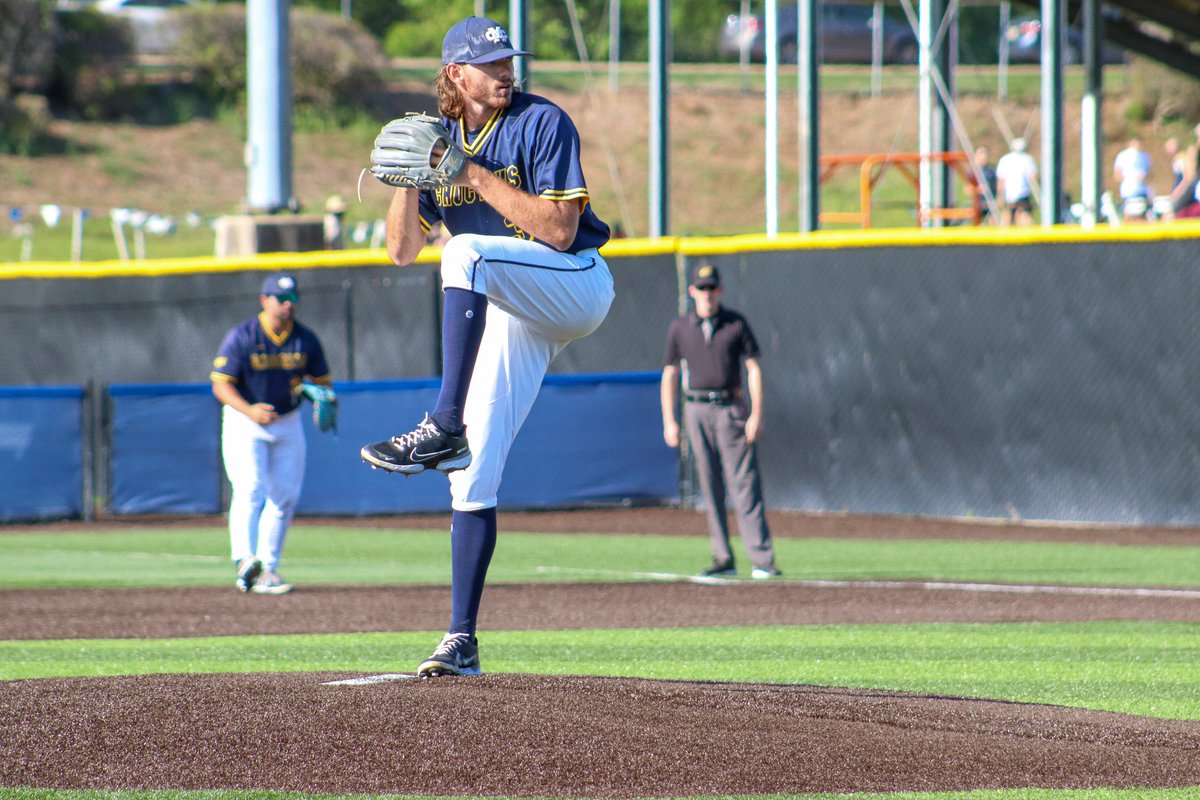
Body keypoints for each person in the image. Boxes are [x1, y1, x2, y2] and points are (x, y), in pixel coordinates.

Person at [359, 17, 614, 677]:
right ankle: (461, 640)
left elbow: (561, 231)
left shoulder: (541, 121)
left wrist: (470, 173)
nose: (505, 70)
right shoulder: (441, 139)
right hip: (510, 305)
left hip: (575, 282)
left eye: (507, 59)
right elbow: (401, 250)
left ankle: (442, 423)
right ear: (455, 74)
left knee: (465, 251)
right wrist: (408, 178)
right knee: (471, 475)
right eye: (490, 62)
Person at [210, 272, 334, 595]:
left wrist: (319, 394)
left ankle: (267, 568)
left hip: (287, 421)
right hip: (245, 421)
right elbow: (220, 385)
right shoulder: (244, 336)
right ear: (264, 300)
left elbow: (323, 383)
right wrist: (249, 410)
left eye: (292, 298)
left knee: (285, 496)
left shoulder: (305, 339)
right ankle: (244, 560)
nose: (288, 305)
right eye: (281, 299)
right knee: (250, 488)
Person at [661, 264, 781, 581]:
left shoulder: (735, 323)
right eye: (702, 288)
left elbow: (753, 368)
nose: (707, 293)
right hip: (696, 408)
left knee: (745, 484)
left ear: (720, 290)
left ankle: (762, 559)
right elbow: (670, 373)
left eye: (712, 287)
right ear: (692, 291)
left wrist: (756, 414)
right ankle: (723, 558)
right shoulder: (681, 327)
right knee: (709, 485)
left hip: (730, 408)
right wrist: (669, 420)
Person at [995, 137, 1038, 226]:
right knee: (1023, 218)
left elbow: (1001, 180)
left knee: (1007, 218)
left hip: (1009, 196)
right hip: (1023, 195)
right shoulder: (1028, 159)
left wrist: (1000, 196)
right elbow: (1033, 178)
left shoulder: (1005, 159)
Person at [1112, 137, 1152, 220]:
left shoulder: (1145, 156)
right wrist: (1130, 178)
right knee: (1128, 214)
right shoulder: (1123, 155)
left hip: (1142, 191)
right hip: (1128, 191)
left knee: (1142, 215)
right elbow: (1116, 175)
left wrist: (1144, 177)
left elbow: (1150, 174)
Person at [973, 145, 999, 223]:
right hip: (977, 203)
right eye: (981, 155)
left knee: (994, 221)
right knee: (976, 223)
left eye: (985, 155)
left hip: (990, 203)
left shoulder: (991, 171)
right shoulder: (973, 171)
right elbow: (967, 189)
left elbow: (998, 185)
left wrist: (998, 197)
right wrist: (977, 190)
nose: (983, 157)